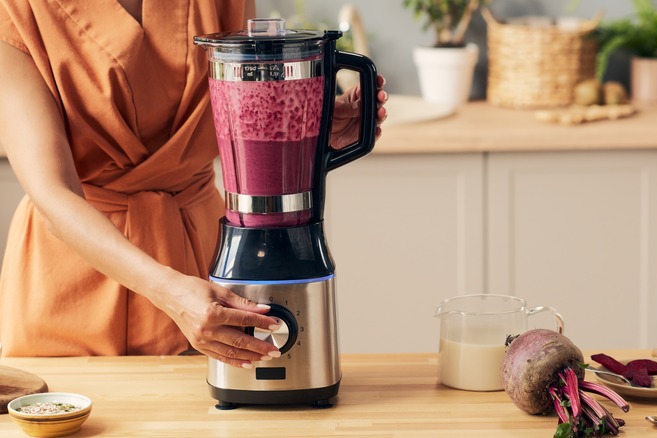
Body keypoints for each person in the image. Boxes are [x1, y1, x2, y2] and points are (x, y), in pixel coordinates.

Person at [0, 0, 388, 369]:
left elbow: (239, 114)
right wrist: (168, 291)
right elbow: (52, 192)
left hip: (201, 262)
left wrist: (306, 136)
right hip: (75, 276)